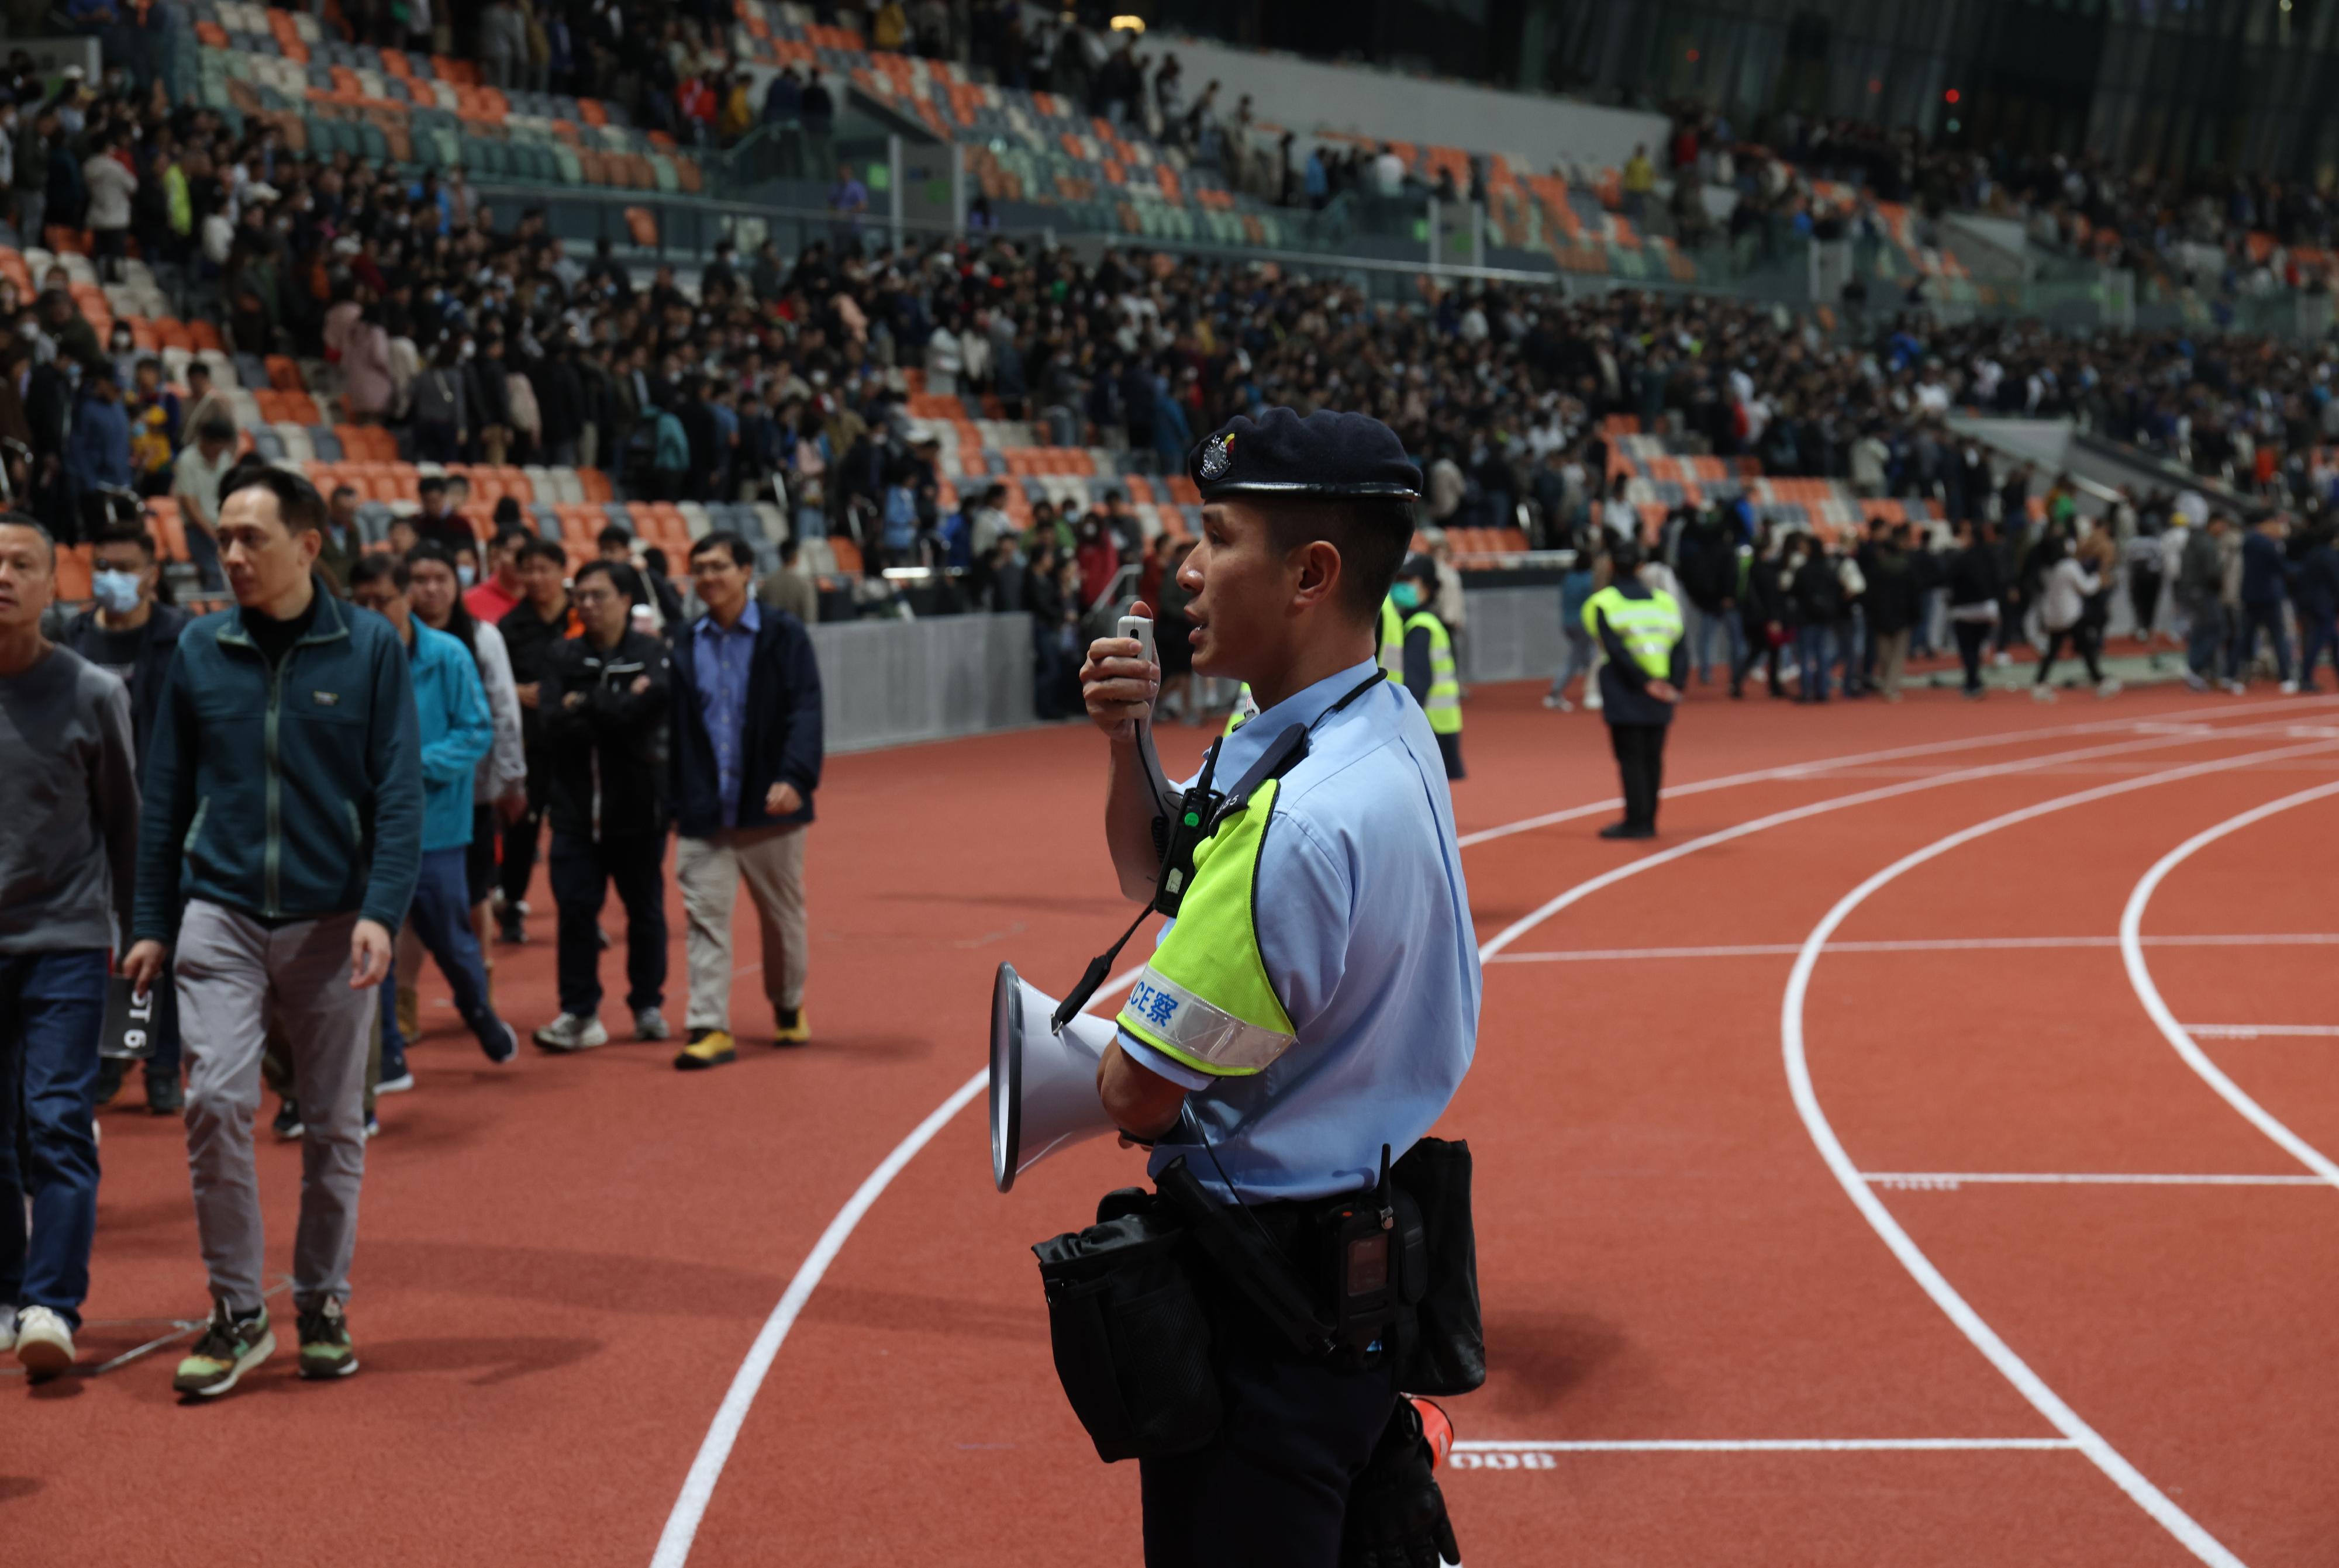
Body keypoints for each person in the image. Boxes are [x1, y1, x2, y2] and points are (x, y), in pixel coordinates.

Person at [1074, 408, 1474, 1568]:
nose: (1185, 570)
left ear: (1308, 572)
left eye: (1216, 538)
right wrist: (1127, 742)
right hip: (1353, 1271)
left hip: (1258, 1306)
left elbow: (1135, 1096)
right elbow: (1160, 866)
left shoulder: (1299, 825)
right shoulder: (1353, 719)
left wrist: (1095, 1062)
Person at [122, 465, 425, 1397]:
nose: (234, 555)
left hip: (336, 921)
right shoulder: (199, 650)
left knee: (335, 1123)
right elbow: (164, 796)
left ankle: (323, 1300)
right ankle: (238, 1311)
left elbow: (400, 795)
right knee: (214, 1102)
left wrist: (380, 910)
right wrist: (150, 921)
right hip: (220, 911)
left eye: (252, 538)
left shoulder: (370, 648)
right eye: (223, 538)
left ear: (309, 544)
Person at [0, 515, 140, 1379]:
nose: (4, 576)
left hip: (67, 940)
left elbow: (124, 822)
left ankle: (52, 1301)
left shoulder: (93, 690)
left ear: (57, 585)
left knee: (56, 1119)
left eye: (22, 564)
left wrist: (137, 935)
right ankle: (8, 1293)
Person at [346, 552, 513, 1093]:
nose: (372, 611)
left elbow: (474, 732)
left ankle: (478, 1010)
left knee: (452, 940)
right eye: (361, 602)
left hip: (436, 826)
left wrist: (409, 767)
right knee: (373, 946)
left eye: (383, 600)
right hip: (365, 831)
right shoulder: (343, 659)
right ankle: (389, 1055)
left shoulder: (449, 655)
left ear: (406, 598)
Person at [670, 532, 823, 1068]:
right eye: (698, 568)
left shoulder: (784, 636)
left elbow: (806, 710)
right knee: (704, 919)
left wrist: (796, 776)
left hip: (771, 809)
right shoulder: (684, 641)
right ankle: (708, 1025)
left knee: (781, 919)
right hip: (704, 812)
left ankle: (787, 1007)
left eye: (717, 566)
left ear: (745, 572)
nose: (707, 577)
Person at [58, 523, 188, 1114]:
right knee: (105, 944)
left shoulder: (182, 639)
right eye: (103, 565)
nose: (114, 578)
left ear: (152, 574)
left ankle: (163, 1063)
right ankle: (112, 1057)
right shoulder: (72, 638)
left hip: (164, 817)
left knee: (164, 940)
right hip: (86, 823)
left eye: (126, 567)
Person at [532, 558, 674, 1051]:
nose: (586, 605)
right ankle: (579, 1012)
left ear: (622, 601)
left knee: (646, 913)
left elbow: (650, 710)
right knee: (575, 912)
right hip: (574, 814)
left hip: (639, 812)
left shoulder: (651, 653)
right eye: (581, 596)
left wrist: (586, 703)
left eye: (598, 595)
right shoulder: (561, 656)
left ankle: (647, 1005)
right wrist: (613, 703)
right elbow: (551, 722)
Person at [397, 542, 526, 1059]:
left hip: (471, 794)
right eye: (420, 579)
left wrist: (510, 781)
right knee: (404, 910)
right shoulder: (389, 642)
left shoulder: (482, 637)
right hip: (406, 802)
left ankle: (479, 991)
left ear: (459, 582)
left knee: (472, 900)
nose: (431, 589)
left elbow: (502, 714)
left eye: (440, 578)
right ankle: (404, 1001)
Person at [495, 538, 579, 942]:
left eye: (544, 569)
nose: (536, 578)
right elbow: (492, 682)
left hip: (578, 741)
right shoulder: (510, 627)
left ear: (562, 571)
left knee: (575, 829)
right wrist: (514, 689)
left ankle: (581, 913)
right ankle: (511, 904)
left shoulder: (583, 617)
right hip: (529, 744)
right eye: (528, 570)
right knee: (523, 828)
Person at [1584, 534, 1685, 839]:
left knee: (1631, 757)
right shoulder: (1666, 602)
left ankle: (1636, 821)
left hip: (1624, 689)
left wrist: (1644, 682)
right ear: (1641, 567)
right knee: (1653, 757)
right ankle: (1649, 818)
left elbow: (1614, 649)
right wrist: (1672, 685)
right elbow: (1680, 647)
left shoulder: (1602, 603)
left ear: (1613, 565)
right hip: (1661, 691)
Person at [1393, 554, 1463, 779]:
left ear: (1427, 587)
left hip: (1430, 724)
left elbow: (1417, 683)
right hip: (1440, 722)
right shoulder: (1428, 622)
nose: (1403, 585)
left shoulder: (1421, 626)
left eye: (1410, 580)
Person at [2031, 533, 2118, 700]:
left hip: (2054, 615)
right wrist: (2098, 577)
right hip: (2070, 615)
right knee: (2086, 648)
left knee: (2054, 650)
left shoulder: (2048, 567)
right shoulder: (2068, 566)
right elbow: (2086, 588)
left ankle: (2040, 683)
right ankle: (2100, 680)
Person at [170, 413, 237, 592]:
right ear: (205, 440)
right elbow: (190, 505)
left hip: (223, 525)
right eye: (216, 444)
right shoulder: (187, 461)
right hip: (197, 529)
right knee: (213, 571)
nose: (220, 450)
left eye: (223, 445)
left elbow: (231, 494)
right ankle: (214, 611)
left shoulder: (225, 459)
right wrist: (214, 534)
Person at [2231, 513, 2296, 694]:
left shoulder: (2248, 541)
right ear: (2267, 523)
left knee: (2245, 637)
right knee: (2278, 637)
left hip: (2250, 596)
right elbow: (2281, 567)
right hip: (2268, 597)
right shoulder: (2267, 544)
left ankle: (2233, 676)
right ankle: (2287, 677)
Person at [1944, 519, 2003, 700]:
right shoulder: (1990, 556)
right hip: (1986, 608)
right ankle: (1974, 679)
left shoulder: (1962, 558)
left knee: (1967, 648)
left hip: (1964, 610)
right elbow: (1998, 580)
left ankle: (1973, 682)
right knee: (1976, 647)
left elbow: (1948, 578)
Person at [2178, 513, 2231, 692]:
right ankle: (2196, 667)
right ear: (2213, 523)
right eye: (2222, 524)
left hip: (2192, 591)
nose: (2224, 529)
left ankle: (2198, 670)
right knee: (2217, 629)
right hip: (2204, 592)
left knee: (2200, 632)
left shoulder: (2194, 540)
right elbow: (2212, 573)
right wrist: (2220, 582)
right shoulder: (2207, 543)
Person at [1543, 541, 1598, 711]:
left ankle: (1595, 689)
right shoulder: (1590, 579)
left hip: (1568, 623)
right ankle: (1555, 693)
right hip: (1583, 624)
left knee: (1589, 658)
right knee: (1576, 659)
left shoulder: (1569, 577)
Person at [465, 524, 529, 625]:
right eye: (512, 552)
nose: (519, 560)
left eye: (524, 552)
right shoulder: (468, 602)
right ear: (496, 555)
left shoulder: (542, 599)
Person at [758, 536, 818, 624]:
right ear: (796, 557)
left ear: (780, 556)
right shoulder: (804, 585)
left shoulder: (767, 584)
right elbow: (810, 619)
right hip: (797, 635)